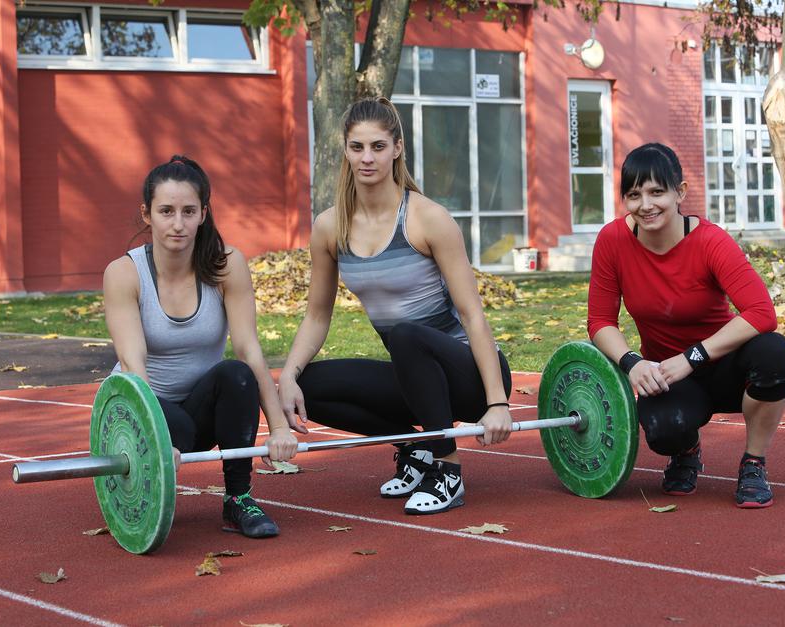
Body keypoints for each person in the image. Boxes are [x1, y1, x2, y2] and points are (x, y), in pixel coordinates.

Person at [277, 97, 513, 515]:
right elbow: (317, 315)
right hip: (415, 380)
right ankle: (416, 448)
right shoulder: (331, 227)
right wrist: (289, 376)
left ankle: (448, 469)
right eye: (357, 147)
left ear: (397, 148)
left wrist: (497, 403)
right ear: (345, 150)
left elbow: (473, 314)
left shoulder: (427, 218)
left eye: (378, 146)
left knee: (404, 334)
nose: (367, 158)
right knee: (306, 387)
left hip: (469, 375)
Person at [587, 143, 785, 508]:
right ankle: (686, 451)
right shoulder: (612, 240)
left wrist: (693, 356)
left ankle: (753, 463)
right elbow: (600, 321)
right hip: (668, 375)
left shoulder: (710, 240)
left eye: (656, 192)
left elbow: (762, 312)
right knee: (663, 430)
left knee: (774, 354)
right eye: (634, 195)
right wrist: (632, 363)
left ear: (679, 192)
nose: (646, 204)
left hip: (725, 366)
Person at [103, 155, 298, 538]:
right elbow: (132, 363)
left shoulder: (227, 266)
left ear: (204, 213)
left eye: (189, 211)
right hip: (139, 408)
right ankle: (157, 458)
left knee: (237, 375)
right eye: (166, 211)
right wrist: (152, 436)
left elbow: (248, 349)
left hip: (196, 408)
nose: (178, 224)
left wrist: (278, 428)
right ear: (147, 214)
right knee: (173, 424)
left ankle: (238, 499)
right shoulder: (124, 273)